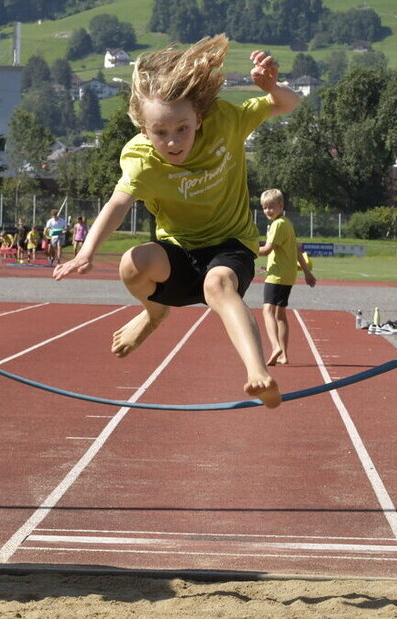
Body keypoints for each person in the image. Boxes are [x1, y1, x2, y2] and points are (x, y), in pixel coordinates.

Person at [52, 34, 298, 408]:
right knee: (132, 263)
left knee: (217, 284)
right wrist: (86, 253)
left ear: (198, 118)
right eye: (161, 133)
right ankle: (154, 314)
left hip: (230, 246)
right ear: (144, 130)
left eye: (182, 128)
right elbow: (119, 202)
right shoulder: (140, 159)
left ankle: (257, 373)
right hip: (179, 253)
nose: (173, 141)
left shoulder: (226, 122)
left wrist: (272, 87)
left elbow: (288, 104)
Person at [257, 189, 316, 366]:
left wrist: (247, 249)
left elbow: (267, 250)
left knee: (267, 310)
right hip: (289, 275)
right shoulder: (287, 223)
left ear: (281, 206)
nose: (268, 211)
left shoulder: (277, 225)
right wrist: (307, 273)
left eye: (271, 207)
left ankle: (275, 346)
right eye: (265, 207)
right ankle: (284, 355)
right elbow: (297, 250)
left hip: (277, 274)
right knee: (280, 314)